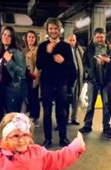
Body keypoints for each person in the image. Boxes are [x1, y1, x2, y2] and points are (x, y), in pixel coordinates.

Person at [36, 17, 76, 148]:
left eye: (55, 28)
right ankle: (48, 139)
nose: (53, 31)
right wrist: (48, 53)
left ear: (60, 30)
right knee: (47, 112)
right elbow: (39, 64)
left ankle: (63, 138)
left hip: (61, 84)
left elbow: (71, 67)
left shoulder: (66, 46)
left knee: (61, 112)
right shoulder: (42, 46)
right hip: (46, 84)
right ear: (47, 30)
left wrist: (63, 61)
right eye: (51, 28)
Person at [79, 27, 111, 135]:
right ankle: (87, 125)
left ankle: (106, 126)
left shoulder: (109, 48)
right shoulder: (89, 49)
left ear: (104, 36)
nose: (99, 39)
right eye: (97, 37)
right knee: (90, 105)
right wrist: (89, 73)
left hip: (106, 81)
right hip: (93, 80)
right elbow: (85, 63)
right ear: (94, 37)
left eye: (101, 37)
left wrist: (106, 63)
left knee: (106, 104)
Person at [0, 26, 27, 118]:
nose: (6, 37)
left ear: (13, 38)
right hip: (1, 88)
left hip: (12, 88)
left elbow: (22, 72)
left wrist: (10, 62)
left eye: (9, 36)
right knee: (2, 116)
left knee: (12, 116)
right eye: (4, 35)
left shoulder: (16, 52)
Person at [66, 33, 84, 126]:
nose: (72, 42)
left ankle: (74, 118)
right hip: (68, 79)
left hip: (78, 77)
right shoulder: (64, 50)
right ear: (66, 40)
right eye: (70, 40)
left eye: (73, 40)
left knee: (76, 99)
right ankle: (67, 119)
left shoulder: (79, 50)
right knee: (67, 99)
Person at [23, 30, 41, 127]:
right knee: (27, 96)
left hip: (33, 76)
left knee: (34, 97)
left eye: (32, 37)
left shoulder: (37, 50)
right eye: (29, 37)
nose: (30, 39)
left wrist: (36, 78)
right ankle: (29, 114)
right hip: (25, 76)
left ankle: (35, 117)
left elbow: (38, 65)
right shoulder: (24, 50)